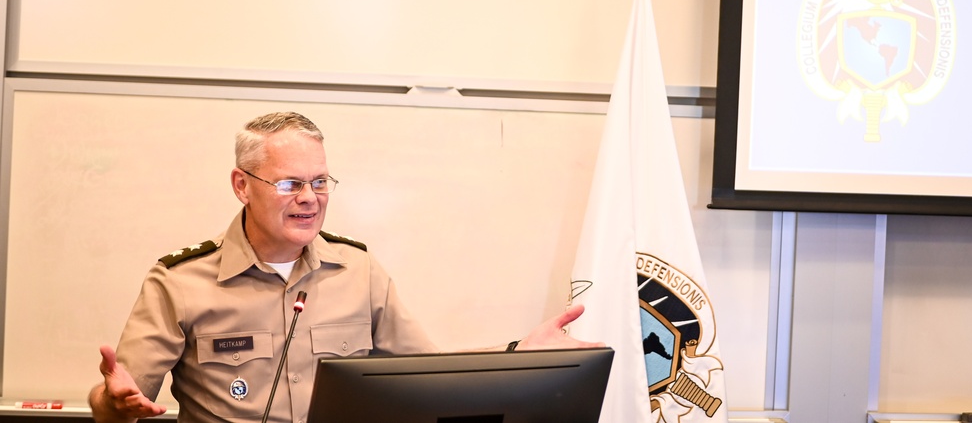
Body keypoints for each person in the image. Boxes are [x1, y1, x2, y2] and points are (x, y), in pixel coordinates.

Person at [89, 111, 602, 423]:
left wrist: (518, 352)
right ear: (242, 186)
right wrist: (113, 404)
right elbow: (115, 401)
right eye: (290, 184)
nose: (310, 199)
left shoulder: (357, 270)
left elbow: (428, 372)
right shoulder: (179, 283)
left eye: (321, 181)